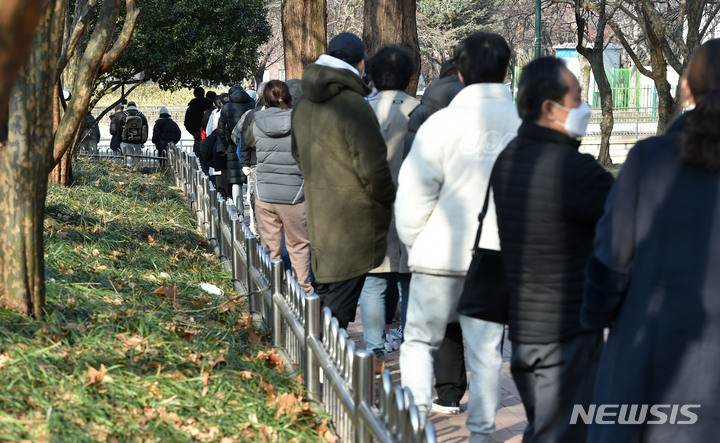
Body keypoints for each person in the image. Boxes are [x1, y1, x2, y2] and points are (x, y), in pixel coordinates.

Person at [581, 38, 720, 443]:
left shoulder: (650, 158)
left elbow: (610, 258)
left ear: (687, 89)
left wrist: (596, 317)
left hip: (650, 352)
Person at [395, 32, 521, 436]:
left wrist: (419, 241)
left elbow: (414, 194)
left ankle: (415, 424)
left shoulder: (441, 123)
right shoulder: (524, 126)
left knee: (419, 342)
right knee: (486, 353)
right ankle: (482, 431)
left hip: (439, 252)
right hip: (497, 255)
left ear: (460, 71)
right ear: (506, 69)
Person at [491, 57, 614, 443]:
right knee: (562, 434)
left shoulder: (508, 158)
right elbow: (625, 226)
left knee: (545, 428)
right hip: (568, 333)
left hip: (525, 330)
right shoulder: (574, 171)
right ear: (549, 108)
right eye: (577, 99)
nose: (584, 108)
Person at [291, 32, 395, 330]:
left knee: (325, 294)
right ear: (360, 64)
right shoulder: (354, 105)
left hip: (319, 212)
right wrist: (388, 198)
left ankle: (316, 363)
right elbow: (374, 170)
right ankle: (320, 371)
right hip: (355, 222)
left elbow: (297, 154)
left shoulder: (303, 103)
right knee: (337, 312)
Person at [401, 58, 469, 417]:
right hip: (480, 230)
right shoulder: (482, 113)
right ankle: (456, 391)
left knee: (439, 317)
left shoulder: (422, 114)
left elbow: (409, 177)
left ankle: (443, 395)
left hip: (434, 230)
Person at [360, 45, 419, 368]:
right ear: (409, 76)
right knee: (409, 281)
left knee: (374, 281)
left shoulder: (363, 109)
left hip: (371, 208)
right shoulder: (419, 111)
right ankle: (410, 345)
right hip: (414, 207)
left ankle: (374, 351)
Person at [244, 80, 312, 294]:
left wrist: (264, 111)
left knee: (270, 247)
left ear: (265, 99)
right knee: (298, 245)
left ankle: (275, 290)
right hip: (294, 193)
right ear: (290, 98)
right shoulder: (301, 121)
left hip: (265, 194)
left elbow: (247, 140)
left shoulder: (257, 121)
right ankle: (303, 291)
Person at [117, 101, 149, 167]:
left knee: (128, 160)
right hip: (138, 141)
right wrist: (143, 141)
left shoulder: (123, 115)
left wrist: (120, 140)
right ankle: (137, 172)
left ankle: (128, 173)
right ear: (135, 106)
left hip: (125, 141)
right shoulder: (141, 116)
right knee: (137, 160)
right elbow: (146, 129)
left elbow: (119, 130)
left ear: (127, 107)